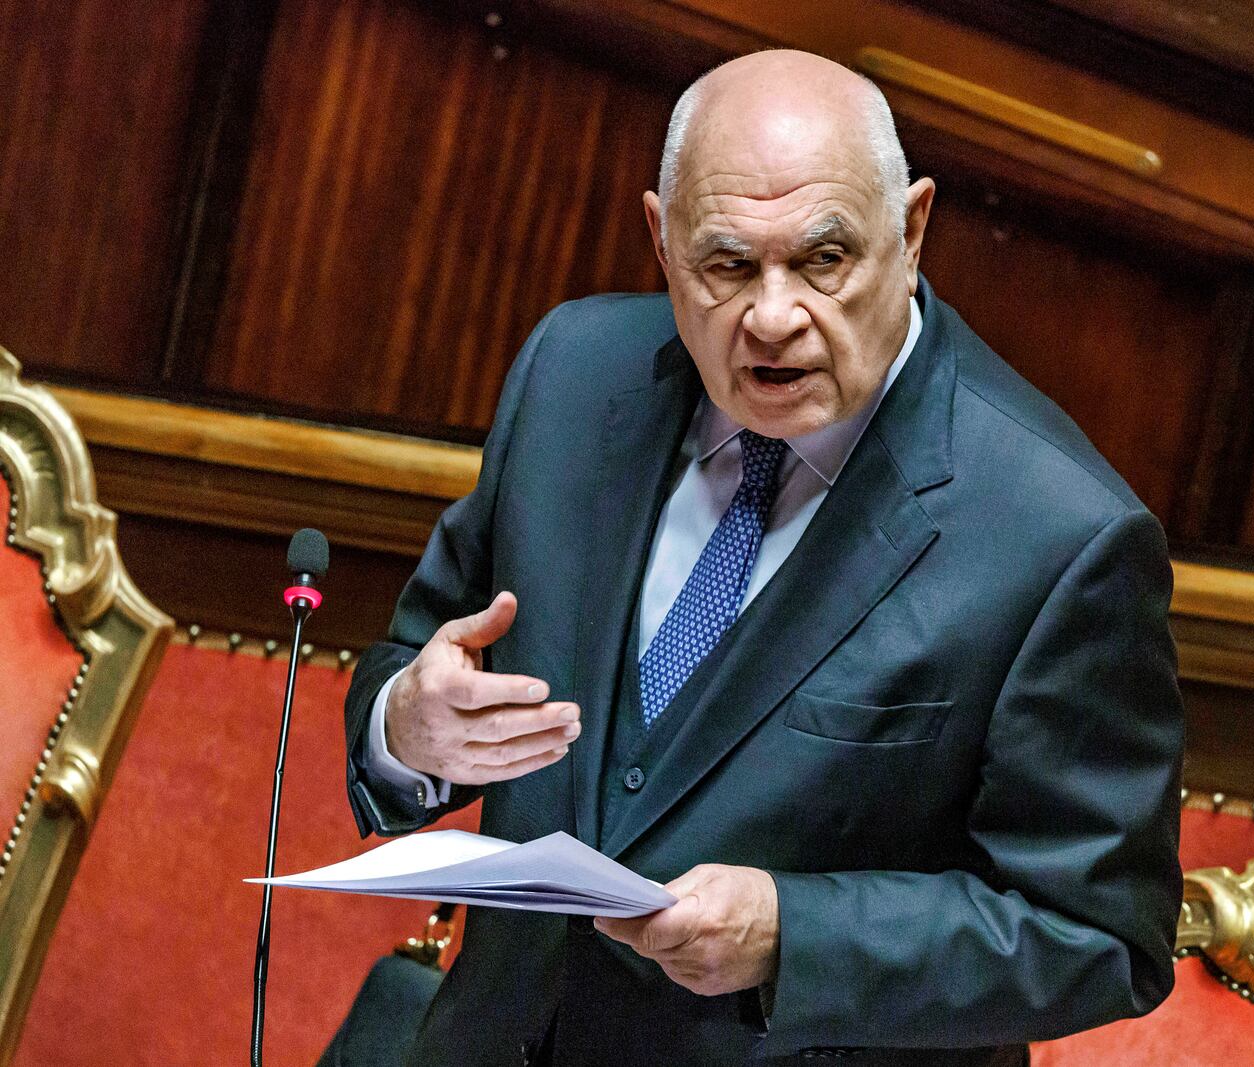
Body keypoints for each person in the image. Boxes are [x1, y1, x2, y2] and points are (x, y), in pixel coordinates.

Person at [344, 48, 1183, 1067]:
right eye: (729, 265)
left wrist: (795, 934)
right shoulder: (571, 373)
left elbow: (1098, 936)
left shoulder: (1058, 537)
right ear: (661, 241)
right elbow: (416, 656)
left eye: (824, 261)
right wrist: (410, 728)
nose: (774, 317)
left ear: (912, 230)